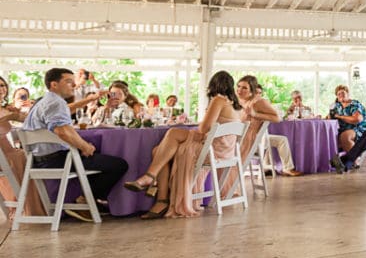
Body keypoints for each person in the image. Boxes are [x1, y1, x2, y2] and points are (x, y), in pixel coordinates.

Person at [122, 71, 243, 219]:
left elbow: (204, 129)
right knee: (158, 150)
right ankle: (160, 199)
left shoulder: (218, 100)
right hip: (223, 151)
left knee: (172, 134)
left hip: (211, 151)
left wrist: (203, 122)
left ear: (213, 85)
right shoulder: (233, 104)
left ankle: (151, 181)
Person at [19, 68, 129, 222]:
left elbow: (66, 110)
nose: (74, 84)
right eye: (68, 81)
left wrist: (92, 99)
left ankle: (87, 201)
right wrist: (85, 147)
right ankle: (84, 200)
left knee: (97, 160)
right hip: (57, 160)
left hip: (39, 160)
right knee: (118, 164)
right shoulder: (56, 103)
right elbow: (62, 131)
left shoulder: (46, 101)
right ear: (54, 84)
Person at [236, 75, 301, 177]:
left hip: (249, 141)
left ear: (251, 90)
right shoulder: (236, 101)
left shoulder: (258, 102)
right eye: (238, 86)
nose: (239, 90)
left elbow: (277, 118)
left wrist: (254, 114)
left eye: (244, 88)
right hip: (239, 137)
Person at [328, 85, 366, 154]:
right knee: (328, 136)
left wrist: (340, 116)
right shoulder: (337, 106)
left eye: (343, 93)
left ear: (348, 94)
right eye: (338, 94)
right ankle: (335, 161)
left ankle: (354, 162)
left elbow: (357, 119)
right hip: (342, 129)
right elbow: (331, 117)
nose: (340, 95)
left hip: (357, 128)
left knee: (345, 137)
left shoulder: (354, 104)